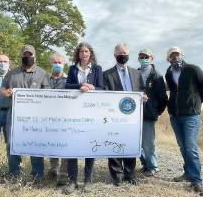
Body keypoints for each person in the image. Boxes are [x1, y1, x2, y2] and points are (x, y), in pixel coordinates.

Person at [1, 44, 50, 180]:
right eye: (25, 55)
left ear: (35, 56)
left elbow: (49, 93)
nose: (27, 57)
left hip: (36, 116)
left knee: (35, 142)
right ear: (21, 56)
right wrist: (7, 93)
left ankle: (38, 174)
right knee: (12, 143)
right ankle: (14, 173)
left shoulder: (42, 73)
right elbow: (3, 89)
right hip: (15, 115)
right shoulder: (12, 74)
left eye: (30, 55)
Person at [165, 46, 203, 194]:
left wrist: (197, 104)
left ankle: (196, 181)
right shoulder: (168, 73)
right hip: (175, 116)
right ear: (168, 59)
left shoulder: (193, 69)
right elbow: (173, 92)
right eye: (172, 56)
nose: (175, 57)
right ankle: (188, 173)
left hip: (191, 116)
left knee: (191, 148)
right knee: (183, 147)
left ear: (182, 55)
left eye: (177, 54)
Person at [63, 42, 104, 194]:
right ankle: (72, 180)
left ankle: (88, 180)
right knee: (72, 146)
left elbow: (102, 88)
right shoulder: (73, 68)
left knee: (89, 146)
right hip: (74, 111)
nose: (84, 54)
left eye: (86, 51)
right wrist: (80, 86)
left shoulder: (97, 69)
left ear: (90, 53)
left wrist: (92, 87)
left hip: (91, 113)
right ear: (78, 54)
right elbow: (67, 86)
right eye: (81, 52)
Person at [103, 43, 141, 186]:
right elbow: (104, 95)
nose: (122, 56)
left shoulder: (136, 73)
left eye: (124, 53)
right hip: (114, 116)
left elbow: (142, 90)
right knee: (114, 143)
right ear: (114, 56)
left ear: (129, 54)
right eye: (119, 54)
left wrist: (143, 97)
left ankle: (129, 173)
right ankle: (117, 174)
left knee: (130, 144)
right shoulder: (106, 75)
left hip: (132, 116)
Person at [137, 48, 168, 176]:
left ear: (151, 58)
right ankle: (145, 164)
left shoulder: (157, 76)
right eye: (141, 57)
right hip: (134, 114)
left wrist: (157, 112)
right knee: (137, 142)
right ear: (138, 59)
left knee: (148, 143)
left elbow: (163, 98)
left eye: (146, 57)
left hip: (149, 114)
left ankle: (153, 167)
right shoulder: (134, 73)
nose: (144, 59)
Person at [48, 52, 68, 186]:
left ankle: (64, 174)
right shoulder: (44, 79)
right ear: (51, 64)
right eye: (54, 62)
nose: (57, 65)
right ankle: (53, 169)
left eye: (59, 62)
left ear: (64, 64)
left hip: (66, 118)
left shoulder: (70, 79)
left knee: (66, 145)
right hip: (49, 118)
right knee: (52, 143)